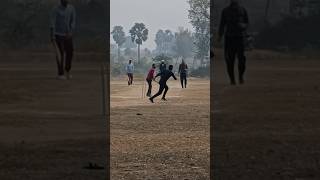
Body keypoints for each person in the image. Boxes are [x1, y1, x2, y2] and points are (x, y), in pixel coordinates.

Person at [218, 0, 249, 85]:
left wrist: (243, 26)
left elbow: (247, 23)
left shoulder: (242, 10)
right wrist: (219, 36)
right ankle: (232, 79)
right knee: (229, 60)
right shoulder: (225, 11)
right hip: (229, 38)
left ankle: (240, 77)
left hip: (240, 38)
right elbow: (222, 24)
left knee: (242, 60)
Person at [50, 0, 76, 80]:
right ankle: (60, 73)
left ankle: (67, 70)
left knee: (70, 52)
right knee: (60, 54)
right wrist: (52, 35)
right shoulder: (55, 9)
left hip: (67, 35)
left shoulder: (71, 8)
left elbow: (73, 21)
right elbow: (52, 22)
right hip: (58, 34)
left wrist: (71, 32)